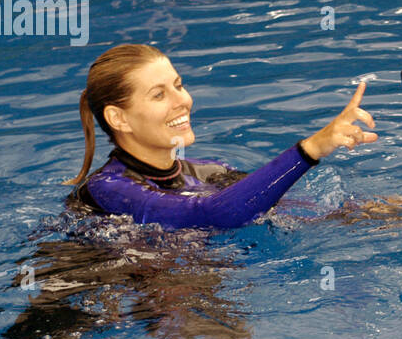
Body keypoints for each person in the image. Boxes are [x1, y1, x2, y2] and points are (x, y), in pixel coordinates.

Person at [64, 43, 377, 229]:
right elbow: (213, 215)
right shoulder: (107, 189)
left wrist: (400, 214)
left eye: (178, 85)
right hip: (89, 289)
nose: (182, 101)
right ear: (118, 118)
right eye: (159, 95)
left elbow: (278, 205)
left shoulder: (208, 172)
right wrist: (312, 148)